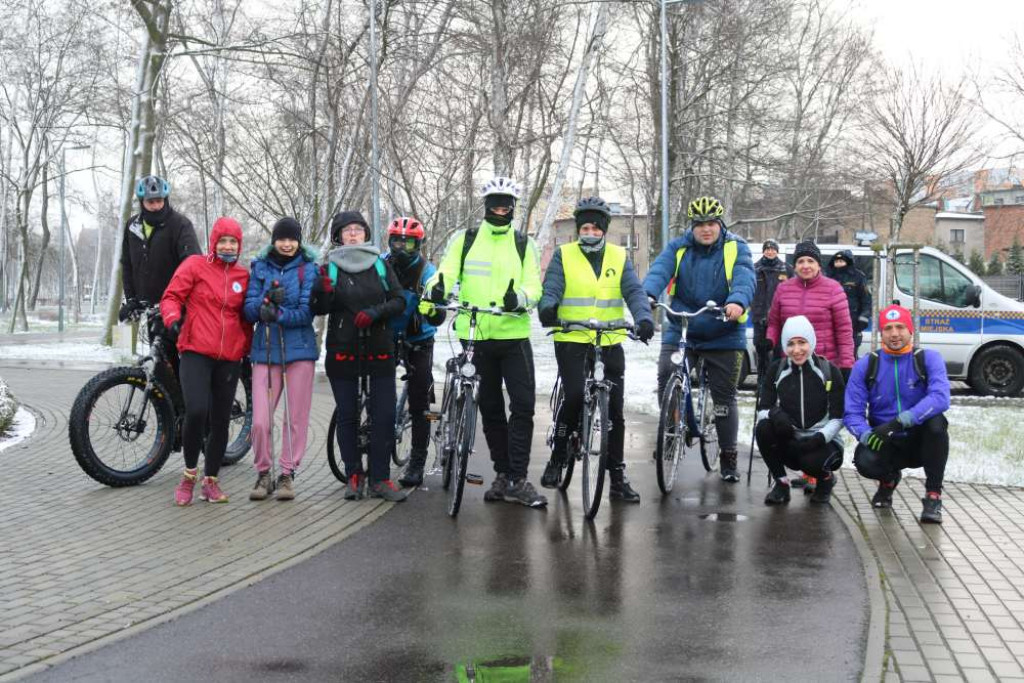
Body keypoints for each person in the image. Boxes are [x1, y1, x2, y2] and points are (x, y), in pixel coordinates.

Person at [425, 176, 547, 508]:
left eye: (506, 203)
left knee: (522, 406)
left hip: (513, 336)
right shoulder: (464, 240)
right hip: (474, 334)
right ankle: (502, 475)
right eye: (494, 202)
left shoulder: (525, 244)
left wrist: (518, 298)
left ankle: (519, 479)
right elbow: (446, 272)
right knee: (491, 409)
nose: (500, 208)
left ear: (513, 207)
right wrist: (436, 288)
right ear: (485, 204)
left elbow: (535, 287)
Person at [536, 197, 656, 502]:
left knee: (615, 410)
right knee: (574, 395)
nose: (590, 232)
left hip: (609, 339)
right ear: (579, 230)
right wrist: (549, 307)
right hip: (573, 338)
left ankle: (616, 476)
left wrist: (643, 318)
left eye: (595, 228)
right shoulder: (564, 255)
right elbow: (552, 287)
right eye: (585, 227)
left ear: (604, 230)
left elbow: (633, 290)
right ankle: (558, 456)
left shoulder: (619, 256)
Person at [643, 195, 755, 482]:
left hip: (724, 328)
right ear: (692, 226)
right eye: (700, 224)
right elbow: (660, 269)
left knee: (723, 399)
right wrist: (649, 294)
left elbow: (744, 278)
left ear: (720, 224)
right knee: (667, 375)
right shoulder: (679, 246)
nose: (706, 229)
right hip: (682, 325)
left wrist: (737, 302)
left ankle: (728, 457)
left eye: (711, 224)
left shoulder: (736, 247)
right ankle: (672, 431)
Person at [311, 210, 409, 502]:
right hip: (343, 351)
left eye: (358, 229)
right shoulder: (330, 268)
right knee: (348, 416)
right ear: (338, 236)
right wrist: (322, 292)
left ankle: (380, 478)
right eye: (347, 230)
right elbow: (319, 309)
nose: (353, 234)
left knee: (384, 416)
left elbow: (400, 300)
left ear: (366, 234)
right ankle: (354, 474)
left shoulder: (379, 265)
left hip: (379, 350)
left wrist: (375, 313)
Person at [160, 217, 252, 506]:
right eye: (223, 240)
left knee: (221, 420)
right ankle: (188, 476)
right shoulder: (195, 266)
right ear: (214, 242)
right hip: (195, 350)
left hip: (229, 357)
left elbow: (248, 315)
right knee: (197, 410)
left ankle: (210, 480)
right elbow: (171, 297)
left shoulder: (242, 276)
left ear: (239, 245)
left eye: (233, 241)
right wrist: (173, 320)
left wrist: (248, 345)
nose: (227, 245)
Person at [845, 305, 951, 524]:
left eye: (900, 327)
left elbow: (940, 398)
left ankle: (933, 496)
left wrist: (901, 421)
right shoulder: (866, 365)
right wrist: (865, 435)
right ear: (881, 333)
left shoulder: (928, 358)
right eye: (888, 328)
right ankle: (888, 481)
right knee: (864, 460)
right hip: (887, 440)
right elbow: (852, 413)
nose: (894, 333)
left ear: (910, 330)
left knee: (937, 424)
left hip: (921, 441)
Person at [244, 217, 319, 502]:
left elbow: (306, 313)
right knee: (261, 421)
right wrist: (264, 306)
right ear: (273, 240)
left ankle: (286, 474)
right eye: (282, 238)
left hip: (299, 351)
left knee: (295, 418)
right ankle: (264, 472)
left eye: (292, 239)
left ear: (299, 241)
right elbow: (249, 308)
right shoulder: (259, 267)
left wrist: (279, 314)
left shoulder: (308, 269)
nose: (287, 244)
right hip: (265, 350)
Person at [382, 216, 446, 488]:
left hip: (419, 339)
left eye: (408, 243)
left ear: (418, 244)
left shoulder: (428, 272)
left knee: (420, 400)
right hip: (386, 335)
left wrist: (435, 307)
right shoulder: (381, 265)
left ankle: (417, 460)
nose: (401, 248)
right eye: (397, 241)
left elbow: (439, 316)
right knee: (379, 393)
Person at [755, 316, 845, 505]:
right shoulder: (776, 370)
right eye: (790, 344)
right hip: (793, 439)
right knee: (763, 429)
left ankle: (826, 480)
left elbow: (839, 418)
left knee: (810, 463)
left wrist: (819, 437)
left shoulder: (829, 371)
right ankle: (781, 484)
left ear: (811, 341)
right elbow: (762, 409)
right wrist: (775, 414)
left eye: (802, 343)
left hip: (823, 443)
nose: (796, 350)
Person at [118, 175, 201, 362]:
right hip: (151, 308)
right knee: (161, 364)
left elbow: (193, 265)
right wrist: (131, 299)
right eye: (150, 202)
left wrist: (180, 301)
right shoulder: (132, 227)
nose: (156, 206)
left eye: (159, 201)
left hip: (177, 307)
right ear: (142, 202)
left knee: (180, 363)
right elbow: (127, 265)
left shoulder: (180, 225)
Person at [751, 238, 793, 378]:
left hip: (780, 319)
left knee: (779, 353)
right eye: (767, 249)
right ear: (763, 251)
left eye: (773, 249)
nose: (770, 252)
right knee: (761, 354)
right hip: (759, 318)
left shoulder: (786, 269)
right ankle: (762, 384)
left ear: (777, 251)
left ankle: (777, 382)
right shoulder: (754, 268)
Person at [826, 250, 872, 360]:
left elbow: (866, 300)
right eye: (837, 261)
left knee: (849, 358)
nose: (839, 264)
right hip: (830, 326)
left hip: (852, 325)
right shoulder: (828, 277)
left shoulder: (858, 277)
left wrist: (863, 318)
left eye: (841, 261)